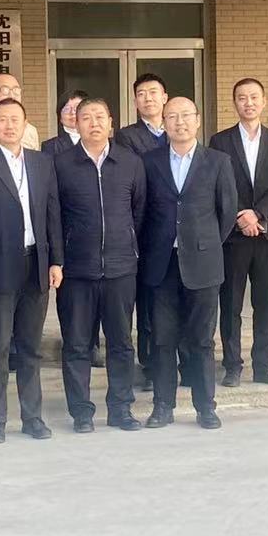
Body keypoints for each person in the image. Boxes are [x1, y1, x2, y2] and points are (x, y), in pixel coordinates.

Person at [0, 98, 63, 443]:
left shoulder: (41, 163)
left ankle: (33, 418)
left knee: (31, 349)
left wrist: (56, 260)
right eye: (2, 120)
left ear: (25, 124)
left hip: (36, 265)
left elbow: (52, 213)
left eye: (15, 119)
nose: (9, 125)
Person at [139, 97, 236, 429]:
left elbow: (226, 213)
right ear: (163, 123)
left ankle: (205, 407)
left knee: (202, 341)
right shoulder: (149, 162)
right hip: (161, 265)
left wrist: (202, 245)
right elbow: (142, 212)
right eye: (172, 117)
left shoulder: (218, 161)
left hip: (203, 265)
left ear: (197, 120)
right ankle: (162, 406)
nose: (179, 122)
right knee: (162, 339)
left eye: (185, 116)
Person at [54, 98, 145, 432]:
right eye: (86, 118)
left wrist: (127, 247)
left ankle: (121, 409)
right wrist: (59, 260)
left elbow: (139, 211)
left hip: (121, 269)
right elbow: (54, 217)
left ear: (111, 122)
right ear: (75, 124)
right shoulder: (61, 164)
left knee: (121, 344)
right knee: (77, 345)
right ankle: (81, 412)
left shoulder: (130, 162)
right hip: (76, 271)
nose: (94, 123)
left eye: (99, 117)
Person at [209, 77, 268, 387]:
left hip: (267, 233)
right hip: (233, 236)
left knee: (264, 303)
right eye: (242, 98)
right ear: (235, 103)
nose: (249, 103)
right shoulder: (220, 141)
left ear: (264, 101)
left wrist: (257, 214)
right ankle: (232, 365)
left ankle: (264, 366)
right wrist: (241, 215)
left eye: (254, 97)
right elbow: (219, 185)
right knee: (230, 304)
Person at [114, 73, 170, 390]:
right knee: (148, 302)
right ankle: (149, 365)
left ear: (165, 97)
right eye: (141, 94)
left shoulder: (178, 128)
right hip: (146, 229)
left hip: (178, 230)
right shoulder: (127, 137)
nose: (148, 98)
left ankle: (178, 359)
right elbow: (137, 180)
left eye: (153, 92)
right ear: (135, 101)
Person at [43, 89, 103, 368]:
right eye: (68, 109)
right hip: (68, 233)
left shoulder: (103, 145)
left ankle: (93, 344)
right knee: (71, 300)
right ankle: (73, 343)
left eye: (79, 108)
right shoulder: (51, 147)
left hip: (98, 237)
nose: (73, 113)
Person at [41, 90, 87, 158]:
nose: (72, 112)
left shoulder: (100, 140)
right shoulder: (50, 146)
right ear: (60, 118)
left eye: (77, 107)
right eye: (67, 109)